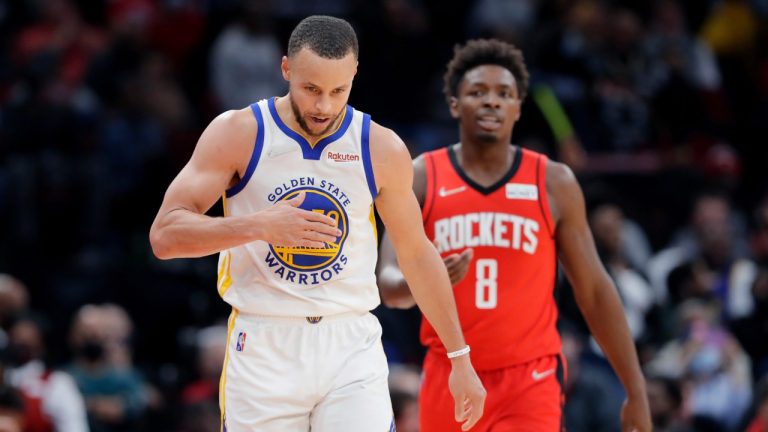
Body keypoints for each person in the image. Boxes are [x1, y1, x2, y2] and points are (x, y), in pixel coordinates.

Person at [149, 15, 485, 432]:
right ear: (286, 69)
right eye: (311, 89)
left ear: (354, 74)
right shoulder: (239, 133)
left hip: (350, 344)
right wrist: (261, 226)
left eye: (337, 90)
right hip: (264, 342)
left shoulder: (379, 147)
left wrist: (459, 357)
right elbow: (165, 236)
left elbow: (417, 253)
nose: (323, 106)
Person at [377, 39, 652, 432]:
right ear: (454, 104)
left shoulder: (554, 182)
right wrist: (423, 281)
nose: (491, 101)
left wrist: (635, 389)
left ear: (518, 107)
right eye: (477, 92)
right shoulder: (421, 177)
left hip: (529, 379)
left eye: (504, 94)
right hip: (450, 372)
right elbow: (388, 285)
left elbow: (593, 289)